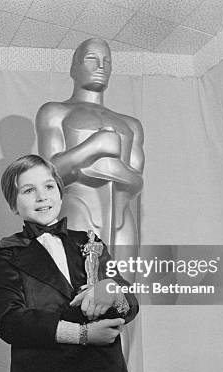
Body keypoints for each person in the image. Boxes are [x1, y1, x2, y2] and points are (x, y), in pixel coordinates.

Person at [0, 154, 138, 372]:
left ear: (60, 192)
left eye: (48, 186)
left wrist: (111, 290)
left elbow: (131, 303)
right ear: (13, 205)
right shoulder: (7, 251)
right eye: (28, 190)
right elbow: (9, 321)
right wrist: (83, 335)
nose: (42, 196)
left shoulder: (90, 241)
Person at [35, 38, 144, 254]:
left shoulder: (131, 125)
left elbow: (136, 182)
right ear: (74, 68)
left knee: (123, 287)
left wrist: (95, 169)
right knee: (83, 286)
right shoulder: (55, 112)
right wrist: (94, 146)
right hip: (78, 212)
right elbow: (50, 175)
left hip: (123, 222)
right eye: (91, 59)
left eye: (107, 61)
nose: (101, 66)